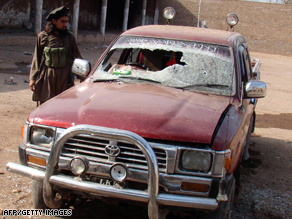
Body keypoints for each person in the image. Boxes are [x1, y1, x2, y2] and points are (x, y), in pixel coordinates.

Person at [29, 6, 82, 105]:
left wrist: (83, 77)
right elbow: (37, 58)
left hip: (65, 78)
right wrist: (32, 78)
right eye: (62, 21)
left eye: (66, 22)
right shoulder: (43, 37)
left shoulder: (70, 38)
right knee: (45, 105)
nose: (65, 24)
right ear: (54, 21)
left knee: (64, 106)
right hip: (48, 77)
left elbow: (77, 58)